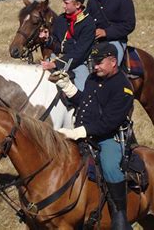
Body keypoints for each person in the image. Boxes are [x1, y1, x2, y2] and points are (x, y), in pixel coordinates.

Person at [51, 42, 134, 230]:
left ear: (113, 62)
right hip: (83, 132)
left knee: (110, 165)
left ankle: (120, 215)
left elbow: (109, 123)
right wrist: (67, 86)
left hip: (107, 138)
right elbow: (85, 102)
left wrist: (78, 132)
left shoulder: (123, 88)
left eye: (99, 62)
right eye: (94, 62)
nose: (95, 66)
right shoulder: (93, 78)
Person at [39, 0, 95, 91]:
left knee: (84, 88)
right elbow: (57, 43)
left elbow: (79, 53)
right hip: (57, 58)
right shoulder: (61, 19)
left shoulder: (88, 23)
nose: (63, 6)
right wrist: (48, 39)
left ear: (77, 5)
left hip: (78, 63)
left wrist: (56, 63)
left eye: (66, 3)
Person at [86, 0, 136, 65]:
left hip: (115, 41)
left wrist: (106, 32)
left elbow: (129, 25)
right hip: (93, 41)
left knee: (110, 67)